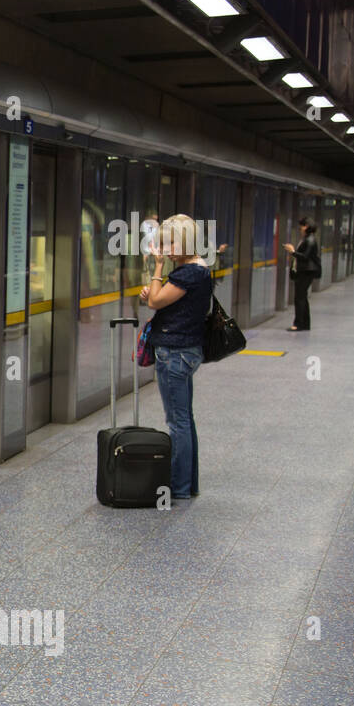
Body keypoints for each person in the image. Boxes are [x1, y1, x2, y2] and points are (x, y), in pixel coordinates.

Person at [140, 214, 214, 501]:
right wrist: (151, 290)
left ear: (186, 242)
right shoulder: (200, 268)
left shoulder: (186, 273)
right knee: (185, 418)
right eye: (163, 244)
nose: (166, 249)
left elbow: (157, 302)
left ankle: (179, 486)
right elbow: (157, 298)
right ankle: (188, 484)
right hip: (187, 351)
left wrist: (157, 270)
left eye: (171, 243)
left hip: (174, 353)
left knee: (177, 421)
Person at [283, 219, 320, 331]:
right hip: (305, 271)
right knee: (302, 297)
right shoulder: (307, 239)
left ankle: (299, 324)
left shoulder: (310, 240)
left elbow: (305, 256)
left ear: (307, 226)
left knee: (299, 297)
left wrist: (292, 251)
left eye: (302, 227)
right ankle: (304, 323)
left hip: (306, 271)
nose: (300, 229)